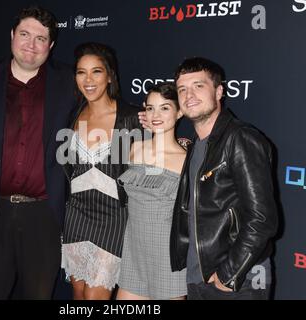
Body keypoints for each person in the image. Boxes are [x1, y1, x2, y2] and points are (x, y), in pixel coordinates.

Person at [0, 6, 75, 299]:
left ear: (51, 45)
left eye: (41, 39)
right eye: (24, 34)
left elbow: (104, 108)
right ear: (11, 36)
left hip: (45, 213)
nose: (31, 45)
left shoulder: (69, 82)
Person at [155, 57, 277, 300]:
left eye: (198, 86)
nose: (189, 95)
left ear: (219, 91)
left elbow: (262, 218)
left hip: (238, 280)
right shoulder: (197, 145)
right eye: (182, 89)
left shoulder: (240, 138)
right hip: (199, 276)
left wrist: (229, 274)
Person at [60, 42, 143, 300]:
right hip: (76, 214)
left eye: (96, 71)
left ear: (109, 76)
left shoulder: (131, 118)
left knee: (95, 296)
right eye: (81, 72)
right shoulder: (72, 116)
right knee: (78, 293)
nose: (88, 80)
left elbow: (143, 177)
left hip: (113, 218)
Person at [116, 83, 187, 300]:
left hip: (167, 257)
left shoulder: (186, 160)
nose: (156, 114)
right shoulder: (134, 148)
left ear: (180, 112)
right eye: (150, 108)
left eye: (165, 108)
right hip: (134, 251)